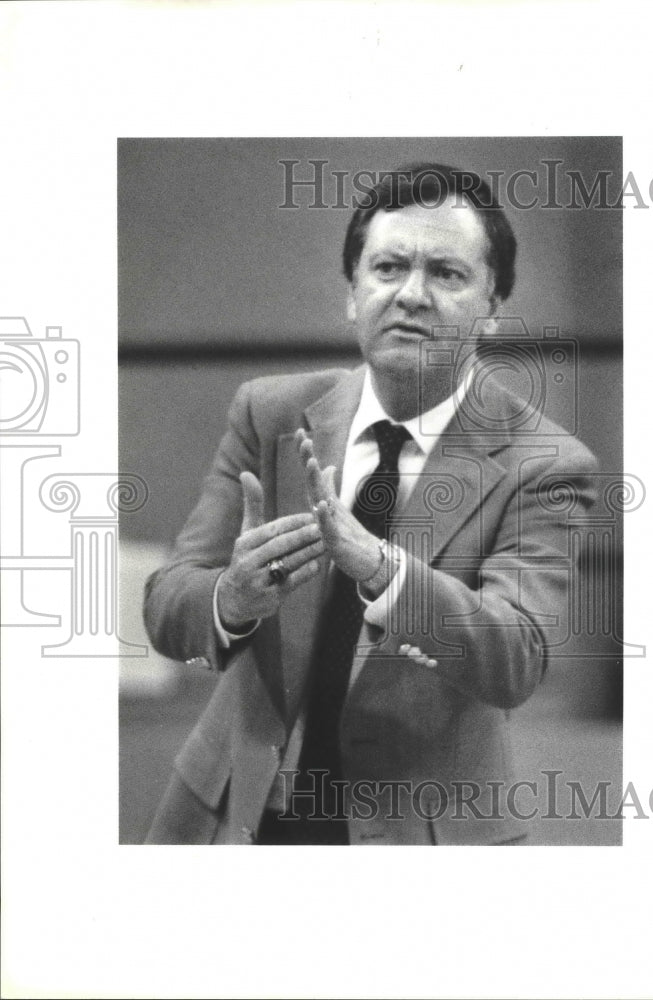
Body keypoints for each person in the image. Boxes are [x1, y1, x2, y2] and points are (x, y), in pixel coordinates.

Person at [143, 162, 598, 845]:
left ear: (494, 309)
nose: (410, 295)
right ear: (352, 296)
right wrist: (229, 599)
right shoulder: (270, 413)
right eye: (387, 267)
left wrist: (383, 570)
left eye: (446, 273)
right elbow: (165, 606)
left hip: (417, 834)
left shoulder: (546, 463)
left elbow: (516, 659)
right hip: (235, 810)